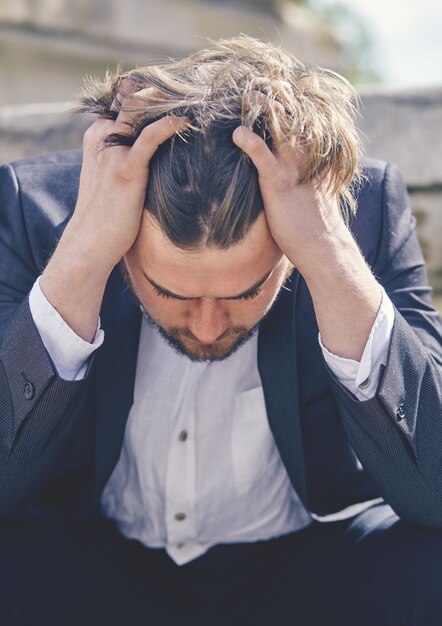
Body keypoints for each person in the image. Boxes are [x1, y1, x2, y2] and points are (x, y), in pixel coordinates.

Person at [0, 35, 441, 626]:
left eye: (244, 292)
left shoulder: (359, 217)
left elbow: (433, 491)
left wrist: (326, 254)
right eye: (172, 292)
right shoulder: (36, 212)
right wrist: (83, 252)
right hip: (94, 569)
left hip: (309, 573)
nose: (207, 328)